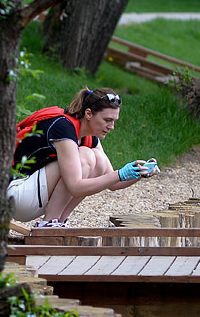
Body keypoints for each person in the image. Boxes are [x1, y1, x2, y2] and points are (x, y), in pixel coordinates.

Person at [8, 87, 159, 227]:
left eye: (114, 121)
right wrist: (120, 174)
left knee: (98, 159)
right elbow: (75, 187)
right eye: (107, 120)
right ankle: (49, 225)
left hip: (31, 196)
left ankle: (59, 222)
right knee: (87, 155)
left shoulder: (89, 137)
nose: (111, 127)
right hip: (15, 194)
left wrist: (140, 172)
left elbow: (113, 183)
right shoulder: (63, 128)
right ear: (88, 114)